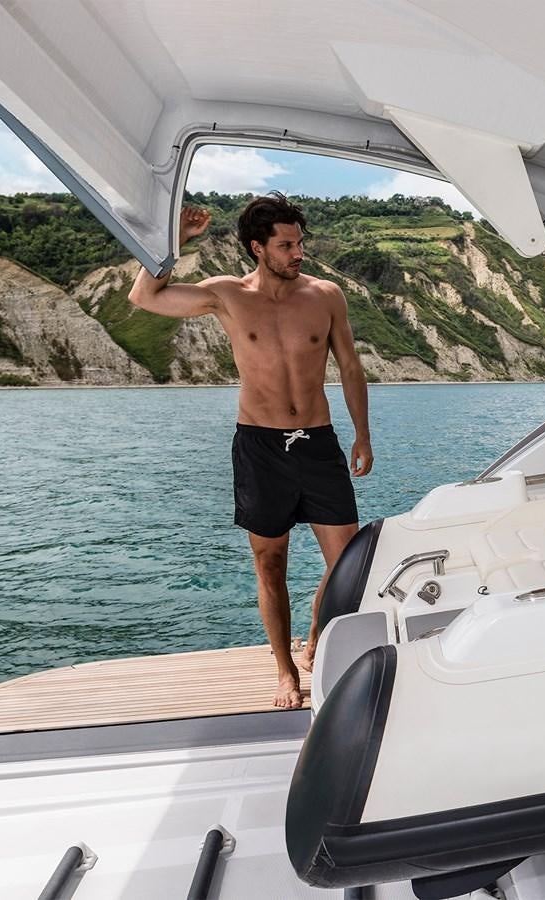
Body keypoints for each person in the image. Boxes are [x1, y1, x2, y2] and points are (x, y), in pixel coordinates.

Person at [129, 193, 372, 709]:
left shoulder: (326, 295)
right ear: (258, 248)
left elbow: (350, 367)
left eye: (300, 242)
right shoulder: (228, 295)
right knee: (270, 563)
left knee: (349, 561)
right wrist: (175, 242)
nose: (298, 252)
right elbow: (144, 297)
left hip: (318, 442)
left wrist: (362, 434)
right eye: (286, 245)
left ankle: (313, 630)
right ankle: (285, 669)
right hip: (260, 447)